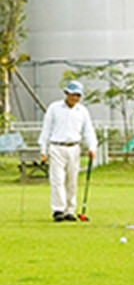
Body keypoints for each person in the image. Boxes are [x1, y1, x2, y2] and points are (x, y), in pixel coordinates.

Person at [38, 80, 97, 222]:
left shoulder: (82, 111)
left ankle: (70, 210)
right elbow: (47, 129)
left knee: (71, 181)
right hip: (56, 147)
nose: (74, 98)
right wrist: (43, 149)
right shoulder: (54, 108)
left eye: (77, 95)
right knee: (57, 180)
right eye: (72, 94)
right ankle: (58, 210)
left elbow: (88, 131)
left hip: (74, 148)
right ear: (66, 93)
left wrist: (92, 147)